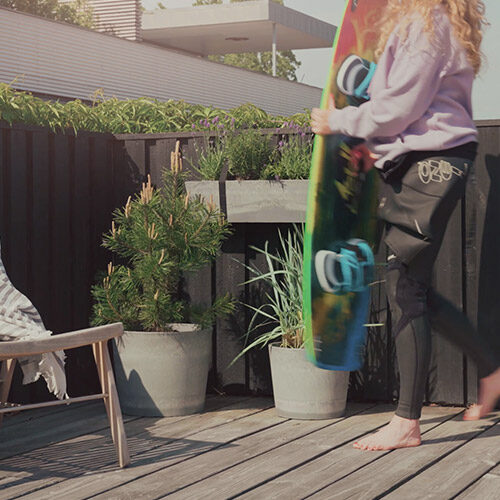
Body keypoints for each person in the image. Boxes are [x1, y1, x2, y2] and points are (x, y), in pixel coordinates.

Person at [311, 0, 500, 451]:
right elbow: (417, 110)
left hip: (434, 165)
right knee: (411, 286)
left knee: (404, 286)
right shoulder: (427, 21)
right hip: (425, 161)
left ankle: (406, 422)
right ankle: (491, 371)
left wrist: (340, 121)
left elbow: (400, 107)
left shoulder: (428, 22)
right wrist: (382, 150)